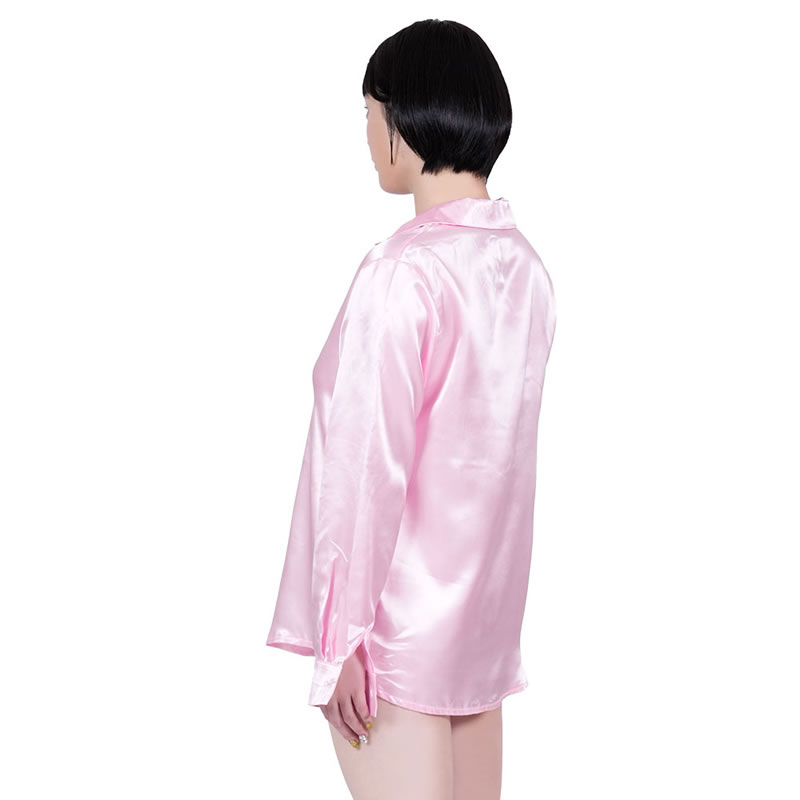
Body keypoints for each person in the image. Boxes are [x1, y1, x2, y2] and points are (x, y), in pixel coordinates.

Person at [266, 18, 556, 799]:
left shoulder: (403, 272)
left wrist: (340, 641)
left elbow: (366, 465)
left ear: (406, 119)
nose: (366, 135)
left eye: (368, 113)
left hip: (395, 640)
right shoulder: (525, 270)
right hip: (479, 634)